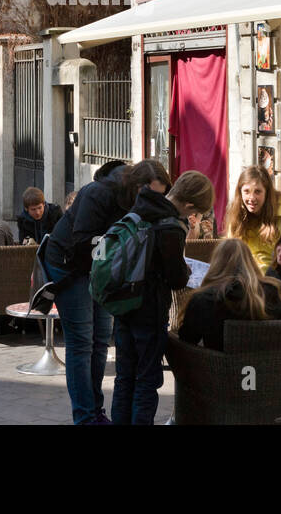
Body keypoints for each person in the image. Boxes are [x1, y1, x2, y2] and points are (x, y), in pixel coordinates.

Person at [43, 158, 171, 425]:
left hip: (102, 270)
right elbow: (81, 241)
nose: (152, 203)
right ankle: (86, 416)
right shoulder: (98, 192)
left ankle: (96, 410)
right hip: (71, 267)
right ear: (137, 187)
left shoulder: (135, 198)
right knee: (81, 343)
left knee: (101, 341)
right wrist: (116, 244)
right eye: (149, 195)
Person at [112, 169, 214, 425]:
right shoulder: (171, 225)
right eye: (195, 212)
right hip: (149, 310)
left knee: (124, 378)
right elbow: (176, 277)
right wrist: (185, 269)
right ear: (189, 204)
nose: (192, 217)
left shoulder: (139, 207)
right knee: (146, 380)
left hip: (124, 304)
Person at [176, 238, 281, 351]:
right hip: (265, 364)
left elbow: (187, 339)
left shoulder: (204, 298)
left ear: (216, 262)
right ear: (249, 261)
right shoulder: (270, 291)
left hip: (215, 365)